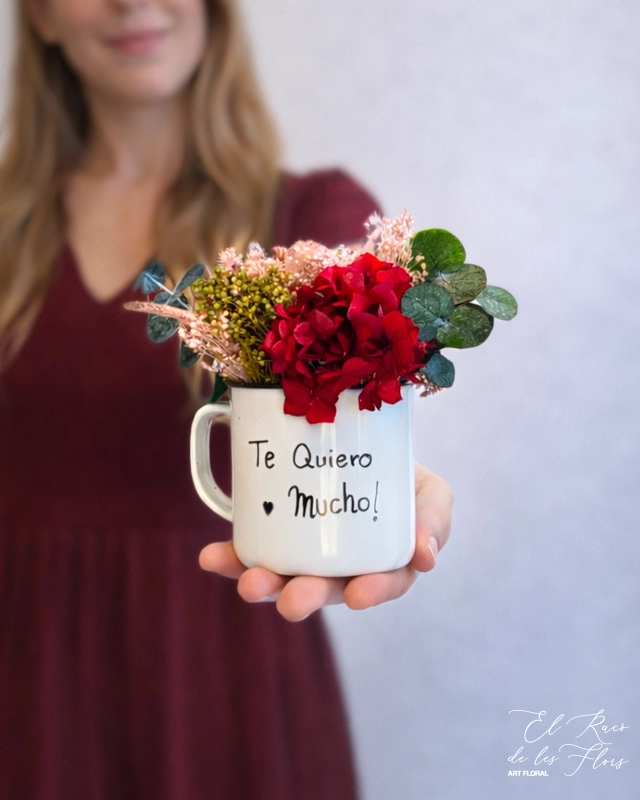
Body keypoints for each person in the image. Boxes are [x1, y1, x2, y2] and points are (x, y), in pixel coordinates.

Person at [0, 1, 453, 798]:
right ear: (39, 15)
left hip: (229, 668)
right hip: (26, 676)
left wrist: (390, 491)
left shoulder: (310, 219)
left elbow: (358, 403)